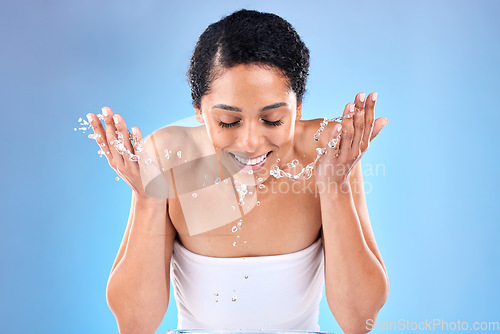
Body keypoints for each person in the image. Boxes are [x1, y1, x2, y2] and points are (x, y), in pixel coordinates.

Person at [87, 9, 389, 334]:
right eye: (228, 122)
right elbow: (134, 324)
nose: (250, 143)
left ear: (298, 108)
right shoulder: (169, 157)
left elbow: (359, 321)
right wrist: (147, 199)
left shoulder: (327, 153)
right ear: (199, 112)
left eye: (272, 119)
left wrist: (334, 187)